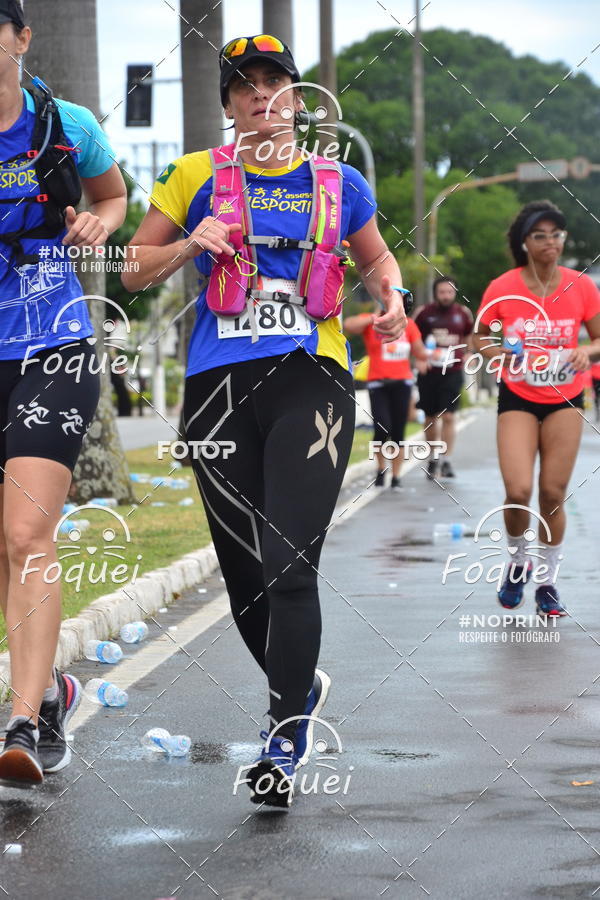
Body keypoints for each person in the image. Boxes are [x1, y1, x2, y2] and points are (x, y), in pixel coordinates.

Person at [123, 34, 408, 807]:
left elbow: (377, 260)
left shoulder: (338, 180)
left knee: (289, 564)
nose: (261, 96)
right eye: (244, 85)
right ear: (228, 104)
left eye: (275, 83)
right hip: (217, 387)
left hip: (310, 378)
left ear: (296, 99)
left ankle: (283, 737)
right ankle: (300, 685)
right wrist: (191, 242)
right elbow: (131, 268)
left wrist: (393, 295)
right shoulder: (192, 175)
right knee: (245, 574)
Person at [0, 1, 127, 786]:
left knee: (26, 534)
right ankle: (49, 690)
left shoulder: (65, 124)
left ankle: (22, 722)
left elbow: (112, 196)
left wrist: (100, 225)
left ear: (21, 36)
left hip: (52, 343)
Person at [472, 200, 600, 617]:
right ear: (525, 242)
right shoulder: (503, 287)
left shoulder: (582, 286)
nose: (550, 242)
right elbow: (480, 336)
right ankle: (517, 562)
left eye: (556, 235)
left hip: (566, 398)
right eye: (540, 235)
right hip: (518, 397)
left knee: (551, 494)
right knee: (518, 492)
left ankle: (547, 584)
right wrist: (498, 355)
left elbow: (599, 340)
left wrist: (586, 351)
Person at [344, 305, 426, 487]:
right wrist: (374, 317)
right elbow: (348, 325)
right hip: (378, 383)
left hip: (402, 383)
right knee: (382, 428)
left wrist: (424, 357)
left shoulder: (408, 324)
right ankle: (381, 468)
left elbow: (419, 350)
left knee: (398, 432)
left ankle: (396, 477)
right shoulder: (372, 321)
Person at [414, 277, 473, 479]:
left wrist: (468, 353)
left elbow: (469, 335)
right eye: (442, 292)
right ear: (435, 293)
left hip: (453, 371)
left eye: (449, 292)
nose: (446, 296)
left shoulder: (463, 313)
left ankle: (446, 460)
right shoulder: (424, 313)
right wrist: (419, 358)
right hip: (429, 372)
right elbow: (412, 336)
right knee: (430, 417)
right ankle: (433, 458)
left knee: (448, 416)